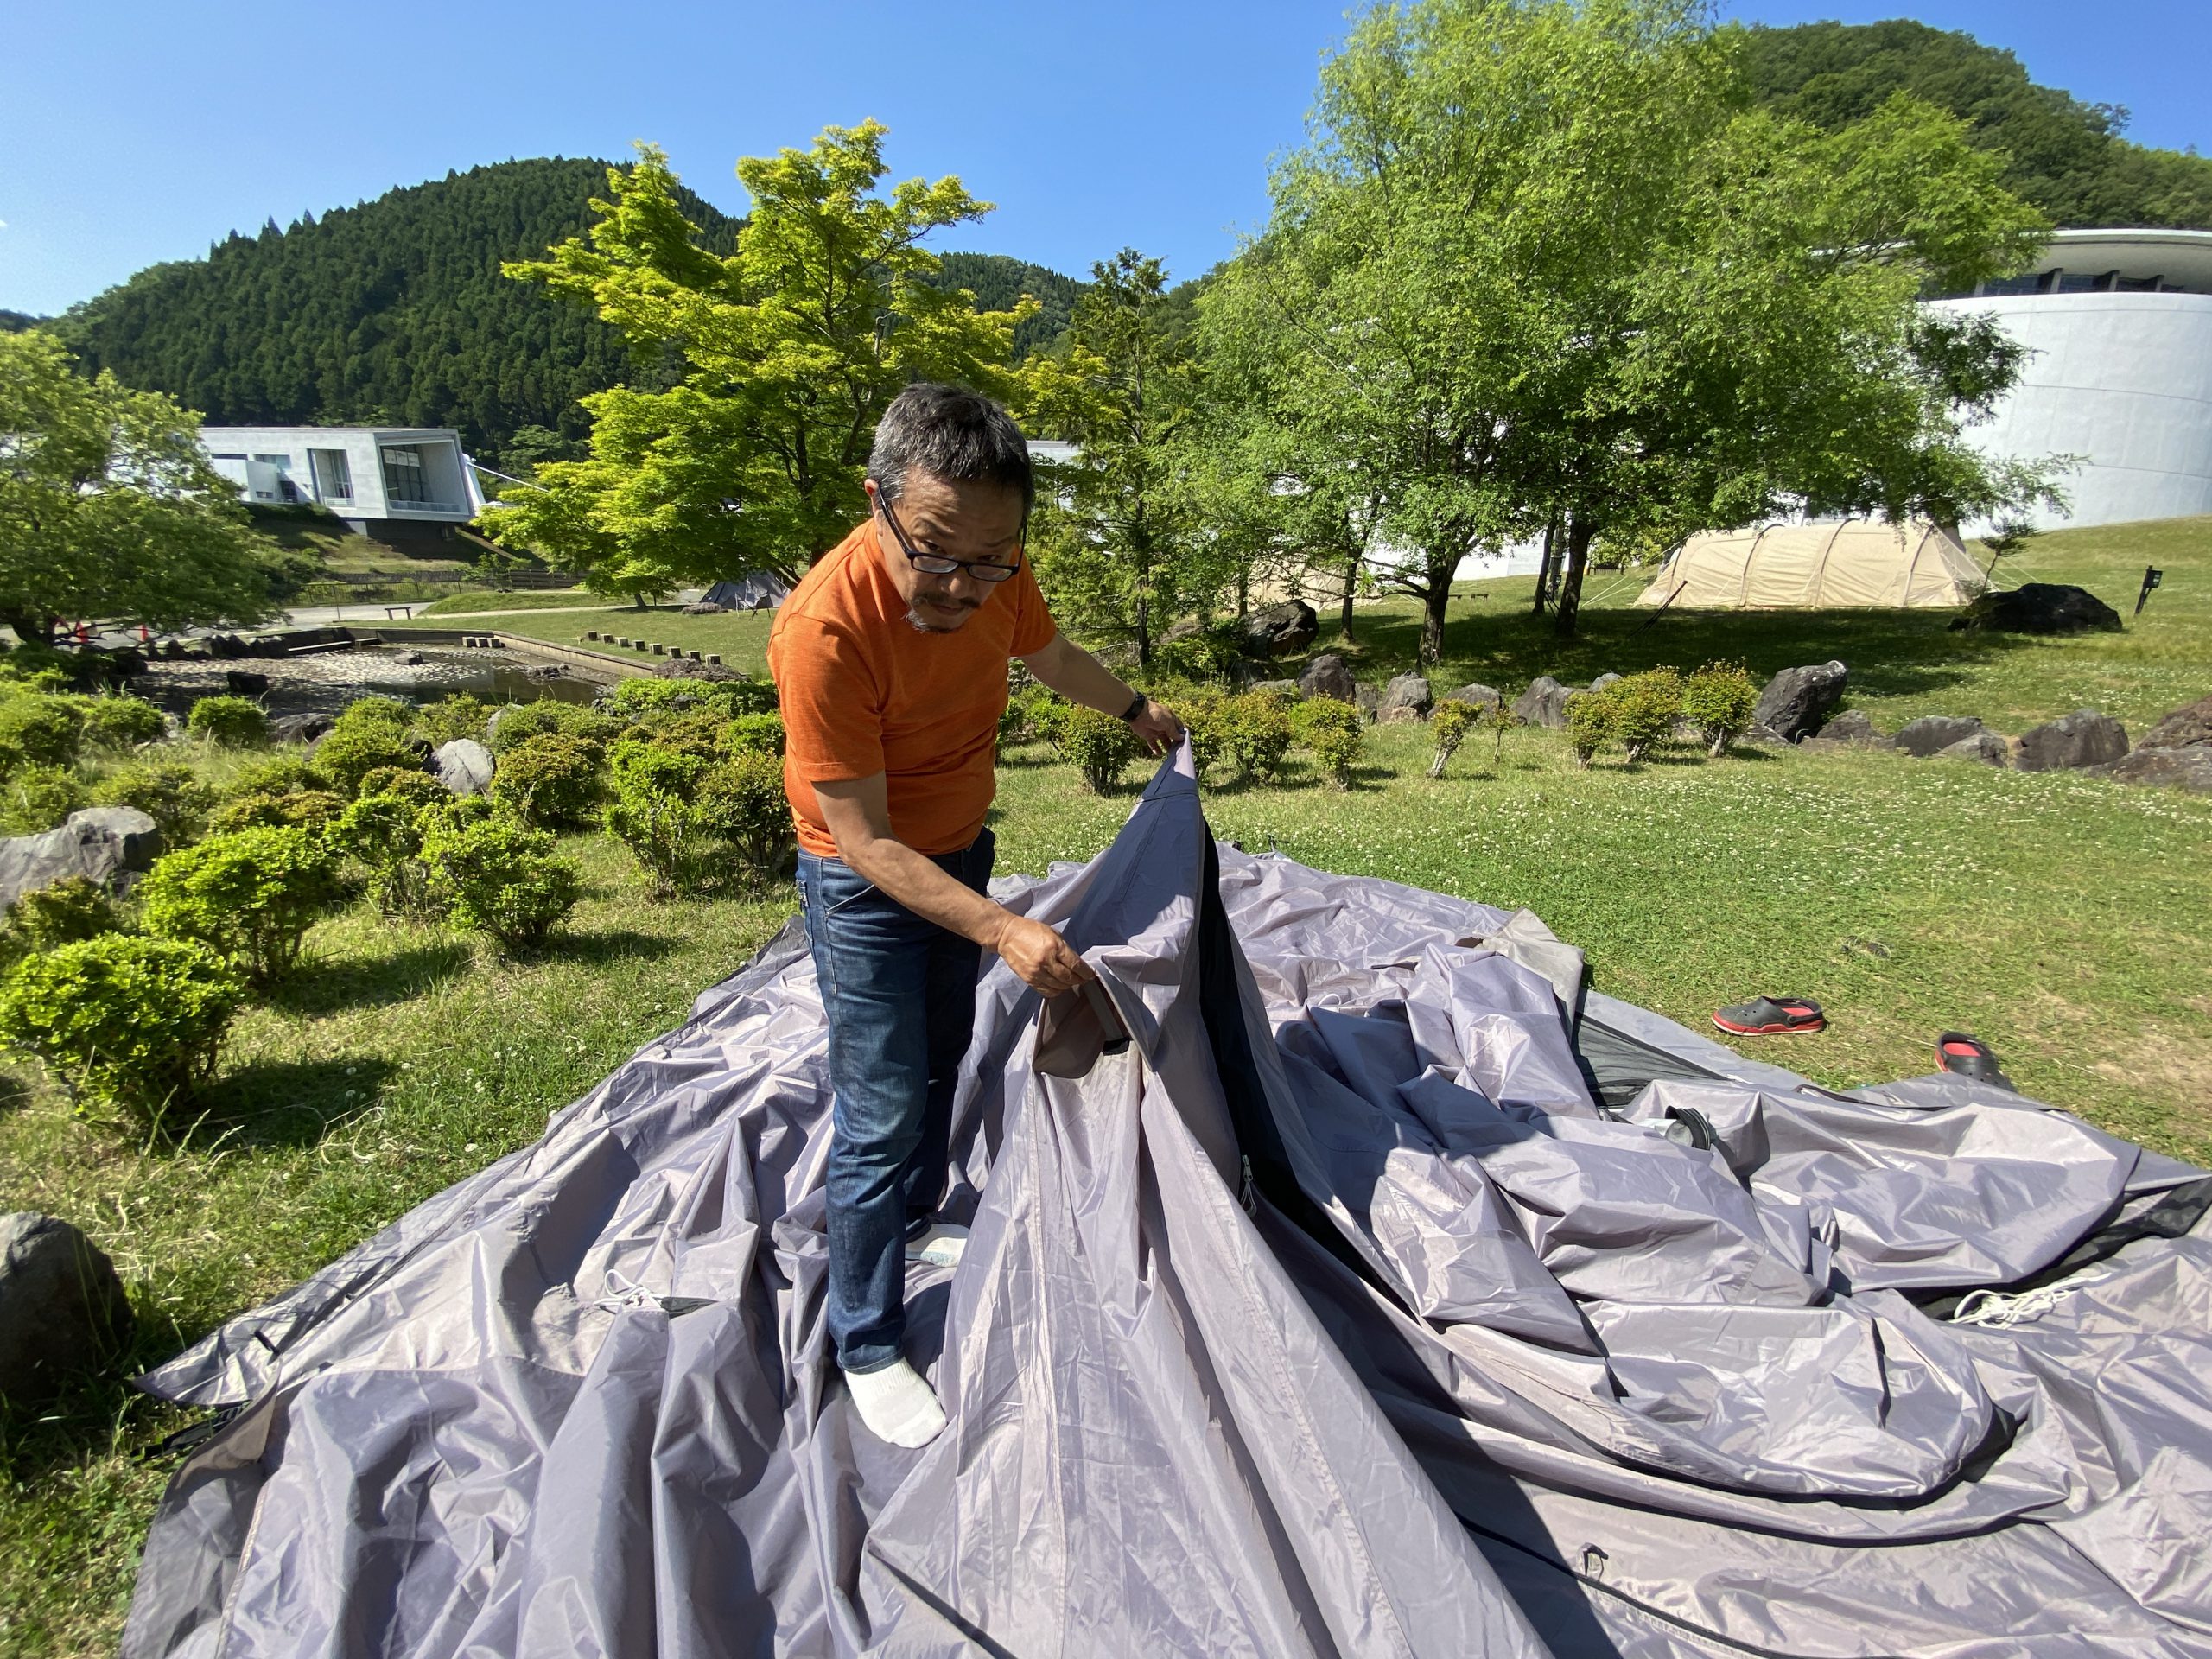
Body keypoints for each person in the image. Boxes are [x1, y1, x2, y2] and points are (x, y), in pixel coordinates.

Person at [768, 383, 1182, 1446]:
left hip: (960, 849)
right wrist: (1002, 927)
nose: (963, 585)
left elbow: (1049, 656)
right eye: (938, 553)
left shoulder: (997, 570)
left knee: (944, 1054)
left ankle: (912, 1221)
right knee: (878, 1107)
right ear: (878, 503)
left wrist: (1133, 708)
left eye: (992, 558)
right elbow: (864, 842)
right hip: (862, 887)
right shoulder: (823, 630)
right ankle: (865, 1340)